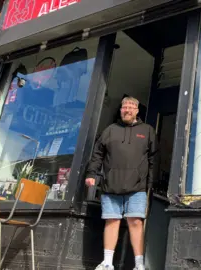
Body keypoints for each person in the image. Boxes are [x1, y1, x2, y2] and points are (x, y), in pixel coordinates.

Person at [85, 96, 158, 270]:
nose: (127, 110)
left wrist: (150, 182)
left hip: (137, 186)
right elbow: (97, 154)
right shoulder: (110, 130)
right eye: (124, 107)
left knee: (136, 222)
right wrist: (91, 173)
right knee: (111, 221)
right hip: (111, 184)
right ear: (120, 110)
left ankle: (139, 265)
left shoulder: (147, 130)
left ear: (137, 111)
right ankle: (107, 263)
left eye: (131, 107)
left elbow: (154, 158)